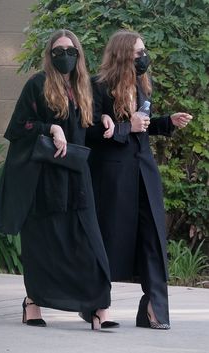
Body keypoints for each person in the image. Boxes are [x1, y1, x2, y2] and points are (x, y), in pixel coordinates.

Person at [0, 29, 119, 330]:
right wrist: (49, 127)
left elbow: (87, 128)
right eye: (58, 51)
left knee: (90, 243)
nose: (65, 56)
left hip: (77, 178)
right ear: (49, 55)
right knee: (42, 244)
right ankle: (32, 302)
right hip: (44, 179)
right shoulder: (37, 84)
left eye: (70, 50)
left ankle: (98, 306)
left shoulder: (84, 86)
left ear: (79, 54)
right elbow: (18, 127)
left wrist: (103, 119)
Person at [86, 29, 193, 329]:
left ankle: (154, 309)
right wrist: (125, 127)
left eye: (144, 51)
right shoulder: (98, 86)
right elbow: (91, 131)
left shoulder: (144, 84)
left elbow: (142, 127)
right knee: (107, 238)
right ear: (122, 54)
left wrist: (166, 122)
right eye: (138, 52)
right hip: (111, 173)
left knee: (153, 238)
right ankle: (96, 306)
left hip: (144, 169)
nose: (144, 57)